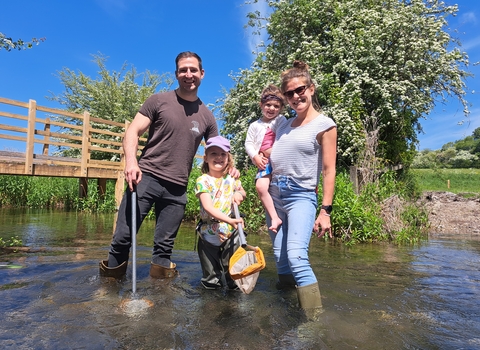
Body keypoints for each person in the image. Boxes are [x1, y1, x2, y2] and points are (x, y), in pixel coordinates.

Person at [99, 51, 238, 279]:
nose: (188, 74)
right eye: (183, 70)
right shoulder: (158, 101)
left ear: (202, 74)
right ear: (176, 74)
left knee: (164, 248)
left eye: (193, 69)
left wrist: (231, 169)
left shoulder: (207, 117)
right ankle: (108, 295)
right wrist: (132, 162)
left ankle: (159, 305)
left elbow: (218, 152)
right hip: (145, 179)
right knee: (123, 237)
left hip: (177, 189)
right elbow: (133, 131)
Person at [268, 61, 337, 316]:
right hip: (275, 195)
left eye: (300, 90)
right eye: (289, 93)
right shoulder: (283, 125)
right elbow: (265, 152)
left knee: (296, 256)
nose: (296, 96)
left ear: (311, 88)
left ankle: (313, 322)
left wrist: (325, 211)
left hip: (301, 195)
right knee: (281, 258)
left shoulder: (325, 125)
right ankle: (286, 309)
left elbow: (329, 170)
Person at [195, 135, 246, 290]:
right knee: (211, 279)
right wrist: (230, 220)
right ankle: (211, 306)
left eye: (223, 154)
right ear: (205, 158)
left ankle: (233, 304)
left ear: (228, 158)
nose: (218, 157)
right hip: (208, 234)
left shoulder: (232, 178)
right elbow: (209, 208)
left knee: (234, 276)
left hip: (231, 232)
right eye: (213, 154)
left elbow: (242, 191)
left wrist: (239, 194)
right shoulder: (202, 181)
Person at [245, 85, 287, 233]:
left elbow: (283, 140)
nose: (271, 108)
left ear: (281, 108)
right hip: (263, 162)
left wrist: (266, 151)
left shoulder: (281, 120)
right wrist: (255, 156)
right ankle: (274, 217)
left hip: (279, 160)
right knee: (260, 187)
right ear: (261, 105)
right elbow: (249, 143)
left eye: (276, 106)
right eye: (268, 104)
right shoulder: (254, 125)